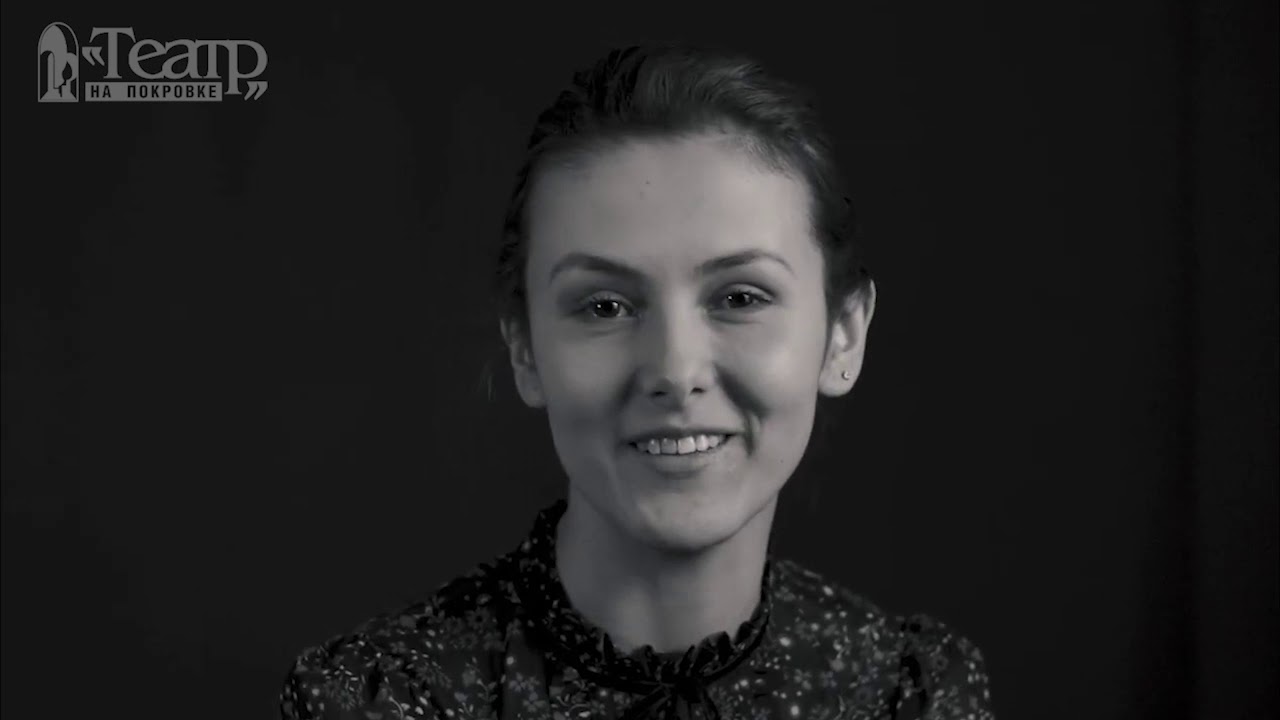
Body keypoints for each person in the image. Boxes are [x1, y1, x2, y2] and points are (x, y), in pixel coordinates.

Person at [279, 43, 995, 719]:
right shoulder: (378, 698)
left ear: (843, 334)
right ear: (525, 349)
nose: (675, 373)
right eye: (605, 307)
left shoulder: (908, 694)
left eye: (740, 297)